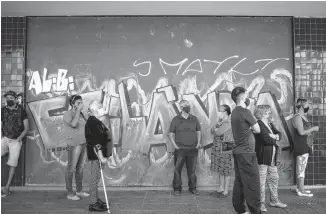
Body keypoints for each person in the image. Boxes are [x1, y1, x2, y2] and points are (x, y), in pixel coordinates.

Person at [230, 87, 261, 214]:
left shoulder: (234, 112)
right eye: (247, 95)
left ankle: (240, 210)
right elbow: (258, 129)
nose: (248, 97)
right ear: (242, 97)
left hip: (239, 152)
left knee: (239, 182)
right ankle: (255, 211)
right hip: (247, 153)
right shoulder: (245, 112)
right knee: (252, 184)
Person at [254, 105, 287, 212]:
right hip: (263, 157)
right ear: (263, 113)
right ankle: (261, 204)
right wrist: (273, 137)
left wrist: (273, 135)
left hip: (272, 157)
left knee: (274, 178)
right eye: (268, 112)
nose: (269, 114)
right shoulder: (258, 124)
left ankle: (274, 200)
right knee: (261, 181)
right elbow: (266, 140)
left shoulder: (268, 124)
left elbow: (279, 134)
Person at [168, 100, 201, 196]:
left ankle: (193, 188)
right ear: (181, 108)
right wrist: (175, 146)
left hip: (193, 149)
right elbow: (171, 133)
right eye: (185, 105)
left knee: (192, 171)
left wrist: (198, 143)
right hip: (180, 150)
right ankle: (177, 189)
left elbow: (199, 131)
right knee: (177, 170)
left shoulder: (194, 119)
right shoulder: (176, 119)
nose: (188, 107)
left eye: (188, 105)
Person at [85, 100, 113, 212]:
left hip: (98, 155)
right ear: (94, 110)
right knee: (94, 178)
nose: (102, 108)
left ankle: (96, 199)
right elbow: (96, 141)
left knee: (96, 178)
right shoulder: (93, 123)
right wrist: (101, 157)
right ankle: (93, 203)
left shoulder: (95, 121)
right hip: (96, 156)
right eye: (100, 107)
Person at [1, 91, 29, 197]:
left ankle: (7, 187)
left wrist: (19, 139)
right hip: (5, 139)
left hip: (16, 141)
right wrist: (1, 137)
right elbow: (0, 124)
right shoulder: (3, 110)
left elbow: (26, 128)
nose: (9, 99)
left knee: (13, 163)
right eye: (7, 98)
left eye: (11, 98)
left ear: (16, 99)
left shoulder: (22, 110)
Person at [63, 94, 89, 200]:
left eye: (81, 102)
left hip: (83, 143)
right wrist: (78, 111)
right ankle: (70, 193)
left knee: (80, 168)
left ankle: (79, 190)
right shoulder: (68, 114)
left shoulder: (81, 114)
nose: (80, 104)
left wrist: (84, 112)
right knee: (71, 168)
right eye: (78, 103)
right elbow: (73, 124)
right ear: (72, 104)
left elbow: (88, 123)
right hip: (74, 144)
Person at [292, 98, 319, 197]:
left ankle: (299, 188)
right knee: (301, 168)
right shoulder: (297, 117)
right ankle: (301, 191)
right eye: (307, 104)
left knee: (301, 167)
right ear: (302, 105)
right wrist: (313, 128)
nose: (309, 106)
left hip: (305, 145)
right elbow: (301, 132)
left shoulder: (303, 117)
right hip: (301, 146)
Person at [209, 104, 234, 198]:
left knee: (226, 169)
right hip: (218, 147)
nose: (218, 112)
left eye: (220, 111)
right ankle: (221, 187)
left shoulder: (228, 122)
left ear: (225, 112)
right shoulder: (220, 122)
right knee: (220, 167)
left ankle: (226, 189)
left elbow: (218, 132)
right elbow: (212, 131)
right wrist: (217, 125)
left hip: (225, 147)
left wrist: (216, 128)